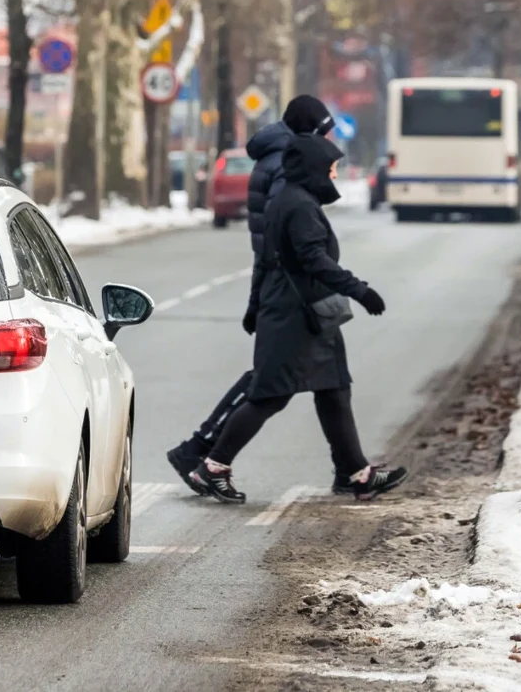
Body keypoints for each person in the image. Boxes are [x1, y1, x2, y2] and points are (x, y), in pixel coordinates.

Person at [188, 134, 409, 503]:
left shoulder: (295, 198)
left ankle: (356, 474)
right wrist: (360, 290)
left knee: (334, 388)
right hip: (293, 317)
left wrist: (256, 303)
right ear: (312, 168)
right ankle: (213, 467)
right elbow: (314, 260)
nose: (334, 175)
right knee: (269, 395)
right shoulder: (298, 205)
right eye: (330, 168)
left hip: (306, 314)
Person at [165, 95, 335, 489]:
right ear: (310, 130)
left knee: (306, 381)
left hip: (280, 283)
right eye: (324, 132)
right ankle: (202, 452)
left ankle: (350, 467)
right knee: (269, 383)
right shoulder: (286, 161)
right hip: (288, 287)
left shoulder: (276, 154)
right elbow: (285, 229)